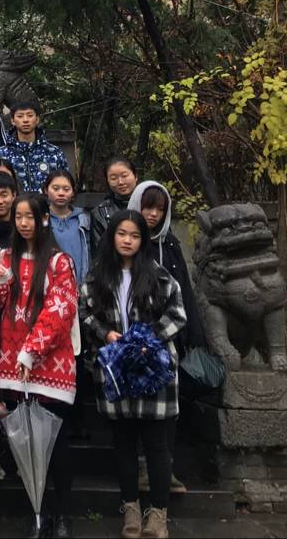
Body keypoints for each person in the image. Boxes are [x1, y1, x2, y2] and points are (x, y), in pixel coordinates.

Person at [80, 210, 187, 539]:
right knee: (123, 444)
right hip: (117, 369)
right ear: (112, 236)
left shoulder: (159, 276)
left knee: (157, 446)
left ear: (143, 240)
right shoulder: (96, 277)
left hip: (154, 369)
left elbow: (178, 315)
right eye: (122, 234)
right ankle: (130, 508)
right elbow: (84, 313)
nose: (127, 240)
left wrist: (148, 338)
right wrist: (106, 334)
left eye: (135, 235)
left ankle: (159, 513)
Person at [0, 193, 78, 539]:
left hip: (51, 366)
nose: (23, 223)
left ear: (44, 219)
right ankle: (37, 513)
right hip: (12, 366)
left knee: (56, 445)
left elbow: (60, 311)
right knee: (25, 444)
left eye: (30, 217)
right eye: (18, 217)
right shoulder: (6, 257)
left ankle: (62, 514)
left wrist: (31, 352)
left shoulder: (59, 262)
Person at [132, 179, 206, 498]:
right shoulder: (127, 241)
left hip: (167, 337)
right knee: (137, 406)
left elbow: (184, 290)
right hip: (133, 338)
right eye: (148, 207)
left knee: (167, 409)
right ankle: (141, 468)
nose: (153, 214)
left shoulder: (171, 244)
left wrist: (191, 332)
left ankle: (164, 467)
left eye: (159, 209)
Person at [0, 99, 71, 194]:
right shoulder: (2, 154)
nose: (25, 120)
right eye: (20, 116)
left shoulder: (54, 152)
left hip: (46, 203)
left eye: (30, 115)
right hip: (16, 203)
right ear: (12, 121)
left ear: (37, 120)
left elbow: (65, 182)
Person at [87, 156, 139, 264]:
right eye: (114, 178)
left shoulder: (148, 207)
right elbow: (98, 254)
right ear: (107, 181)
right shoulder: (100, 213)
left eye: (124, 176)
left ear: (136, 176)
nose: (120, 182)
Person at [45, 169, 90, 283]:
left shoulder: (83, 219)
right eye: (55, 188)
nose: (61, 193)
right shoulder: (41, 219)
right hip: (49, 283)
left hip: (79, 283)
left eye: (66, 189)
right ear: (46, 190)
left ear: (73, 192)